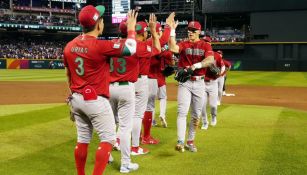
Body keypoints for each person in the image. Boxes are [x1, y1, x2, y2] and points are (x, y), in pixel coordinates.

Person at [63, 5, 137, 175]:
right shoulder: (99, 45)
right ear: (98, 24)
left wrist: (73, 96)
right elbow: (131, 49)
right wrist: (131, 29)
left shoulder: (69, 46)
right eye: (101, 19)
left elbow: (68, 74)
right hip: (95, 99)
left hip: (76, 99)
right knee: (109, 140)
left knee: (82, 140)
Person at [109, 14, 161, 172]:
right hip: (127, 87)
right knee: (125, 127)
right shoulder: (136, 45)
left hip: (109, 87)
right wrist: (153, 31)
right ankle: (125, 163)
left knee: (110, 125)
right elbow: (158, 49)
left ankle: (107, 155)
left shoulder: (111, 43)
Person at [169, 20, 215, 152]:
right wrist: (172, 31)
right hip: (186, 83)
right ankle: (180, 141)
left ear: (199, 32)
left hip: (200, 83)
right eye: (189, 30)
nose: (191, 32)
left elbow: (210, 60)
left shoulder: (205, 45)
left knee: (196, 115)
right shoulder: (184, 43)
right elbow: (173, 48)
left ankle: (190, 141)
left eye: (193, 30)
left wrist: (195, 66)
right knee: (182, 112)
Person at [131, 13, 174, 154]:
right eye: (158, 30)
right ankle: (146, 136)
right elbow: (165, 39)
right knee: (145, 109)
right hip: (148, 80)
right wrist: (169, 26)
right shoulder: (150, 42)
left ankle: (128, 138)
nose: (160, 32)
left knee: (135, 110)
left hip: (138, 79)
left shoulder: (139, 43)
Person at [200, 50, 224, 130]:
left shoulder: (217, 55)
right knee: (202, 105)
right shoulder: (200, 55)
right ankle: (204, 122)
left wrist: (219, 74)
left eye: (207, 42)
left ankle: (214, 117)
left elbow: (222, 68)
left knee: (213, 105)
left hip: (213, 83)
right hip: (202, 83)